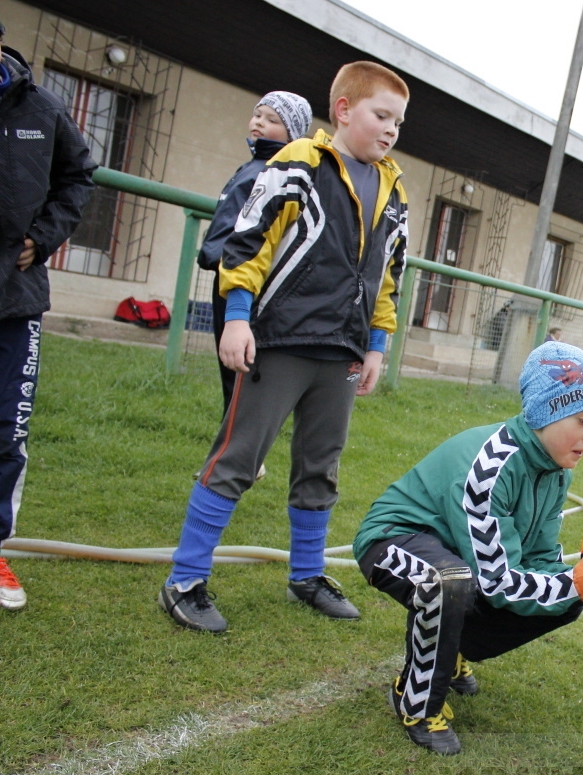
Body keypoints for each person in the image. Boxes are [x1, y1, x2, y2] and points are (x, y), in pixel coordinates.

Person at [158, 61, 410, 633]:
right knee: (238, 460)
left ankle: (306, 575)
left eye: (398, 120)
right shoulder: (297, 163)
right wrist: (238, 319)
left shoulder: (394, 189)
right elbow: (247, 240)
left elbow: (388, 275)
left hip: (342, 352)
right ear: (344, 110)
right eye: (381, 115)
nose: (391, 129)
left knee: (321, 467)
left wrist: (376, 344)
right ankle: (185, 580)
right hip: (280, 340)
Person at [353, 341, 583, 755]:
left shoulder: (556, 472)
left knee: (564, 595)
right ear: (545, 412)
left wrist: (580, 583)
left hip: (458, 553)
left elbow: (537, 558)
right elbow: (498, 582)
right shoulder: (490, 466)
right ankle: (416, 699)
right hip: (391, 539)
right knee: (448, 580)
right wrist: (576, 585)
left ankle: (452, 649)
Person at [0, 0, 96, 611]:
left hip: (15, 296)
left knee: (3, 430)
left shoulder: (41, 108)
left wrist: (43, 236)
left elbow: (79, 173)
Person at [196, 91, 312, 418]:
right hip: (225, 273)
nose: (259, 122)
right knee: (229, 366)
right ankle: (237, 447)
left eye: (272, 119)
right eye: (258, 114)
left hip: (246, 281)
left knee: (242, 367)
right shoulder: (251, 166)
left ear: (292, 132)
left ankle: (243, 452)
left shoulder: (276, 174)